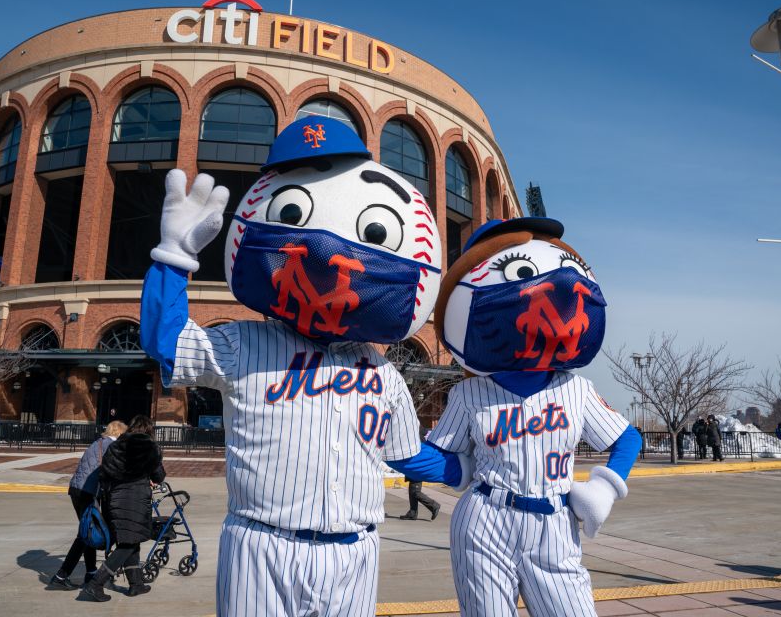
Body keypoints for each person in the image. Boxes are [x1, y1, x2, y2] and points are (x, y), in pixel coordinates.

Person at [140, 117, 467, 616]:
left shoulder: (384, 375)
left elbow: (407, 456)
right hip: (262, 545)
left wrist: (475, 466)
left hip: (356, 550)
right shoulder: (243, 343)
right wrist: (174, 258)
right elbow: (167, 347)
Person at [430, 217, 642, 616]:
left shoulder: (574, 388)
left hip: (556, 521)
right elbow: (443, 453)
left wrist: (606, 488)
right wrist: (401, 451)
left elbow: (626, 439)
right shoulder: (468, 392)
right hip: (486, 518)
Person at [79, 415, 165, 602]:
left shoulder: (116, 445)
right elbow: (159, 475)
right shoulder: (149, 446)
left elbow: (104, 473)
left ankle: (136, 584)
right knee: (127, 544)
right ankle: (96, 584)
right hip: (135, 501)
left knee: (130, 541)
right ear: (149, 429)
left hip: (114, 500)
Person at [48, 420, 127, 590]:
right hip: (87, 492)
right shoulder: (111, 446)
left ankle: (90, 572)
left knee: (89, 531)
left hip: (77, 489)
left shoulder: (98, 443)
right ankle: (61, 575)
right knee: (85, 534)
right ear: (120, 433)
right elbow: (115, 470)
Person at [400, 426, 441, 521]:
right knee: (412, 489)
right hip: (414, 464)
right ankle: (412, 512)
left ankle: (434, 505)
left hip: (417, 464)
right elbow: (425, 430)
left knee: (415, 491)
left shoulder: (413, 435)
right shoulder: (416, 429)